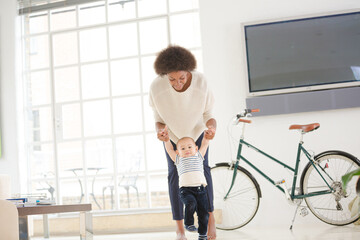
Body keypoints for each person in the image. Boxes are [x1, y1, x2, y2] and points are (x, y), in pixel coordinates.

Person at [149, 45, 217, 240]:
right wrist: (160, 132)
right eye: (171, 79)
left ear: (189, 72)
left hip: (196, 133)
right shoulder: (156, 87)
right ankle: (179, 228)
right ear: (164, 75)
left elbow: (209, 114)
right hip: (173, 137)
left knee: (203, 171)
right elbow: (158, 118)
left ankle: (210, 220)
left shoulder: (201, 82)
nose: (177, 83)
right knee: (174, 176)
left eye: (182, 78)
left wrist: (212, 129)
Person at [164, 135, 211, 240]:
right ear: (178, 152)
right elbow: (169, 149)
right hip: (186, 190)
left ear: (196, 148)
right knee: (191, 203)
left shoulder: (199, 156)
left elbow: (205, 144)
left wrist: (206, 138)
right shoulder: (178, 159)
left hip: (200, 190)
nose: (187, 150)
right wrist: (167, 140)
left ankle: (202, 235)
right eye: (183, 148)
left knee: (203, 215)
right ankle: (188, 223)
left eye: (190, 147)